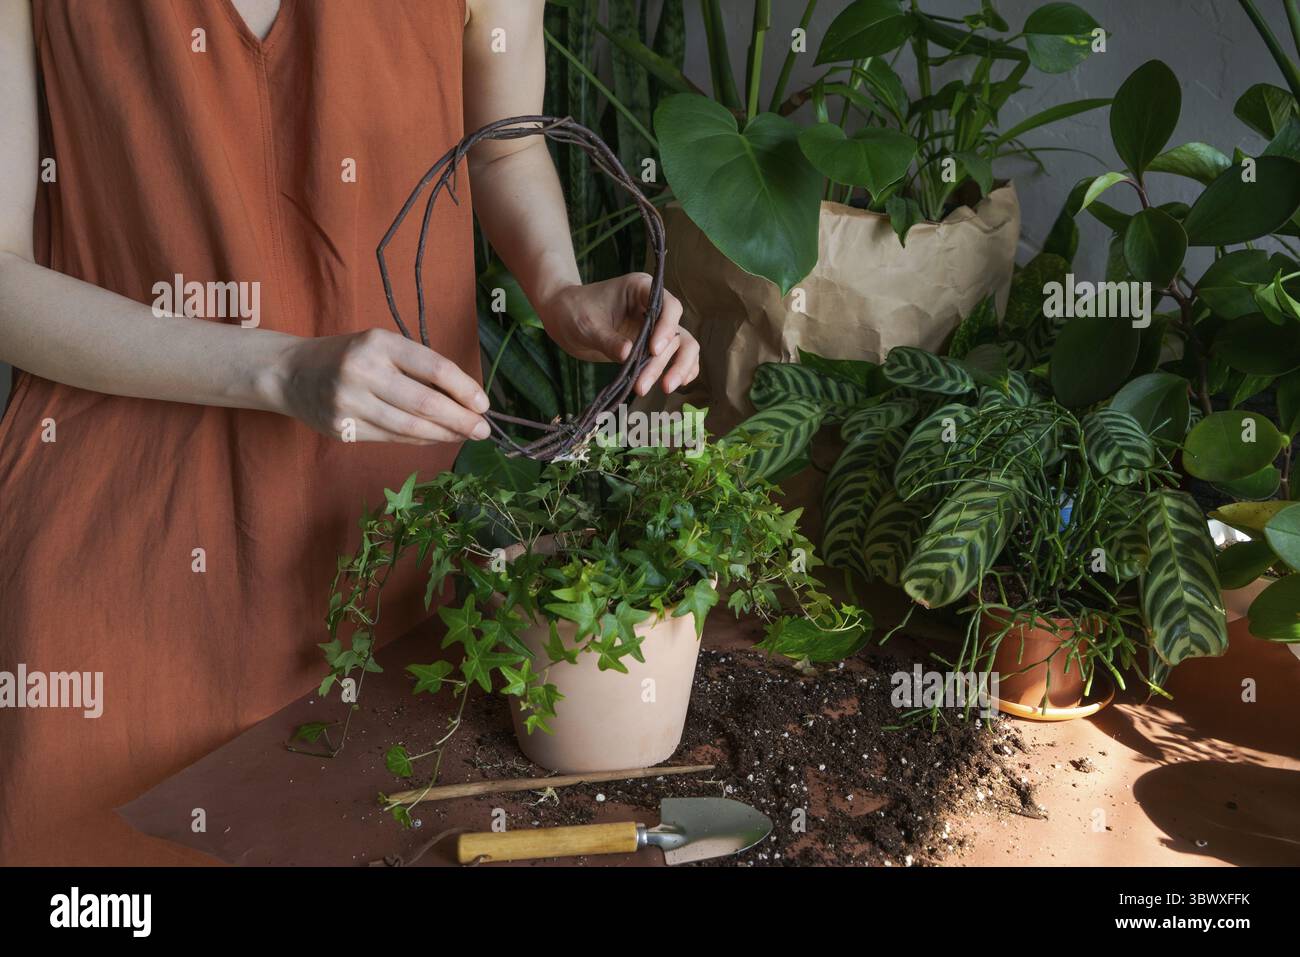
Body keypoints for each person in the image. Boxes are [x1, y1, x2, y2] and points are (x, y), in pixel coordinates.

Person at [0, 0, 698, 865]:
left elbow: (505, 145)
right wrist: (277, 368)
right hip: (117, 557)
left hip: (382, 555)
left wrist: (559, 291)